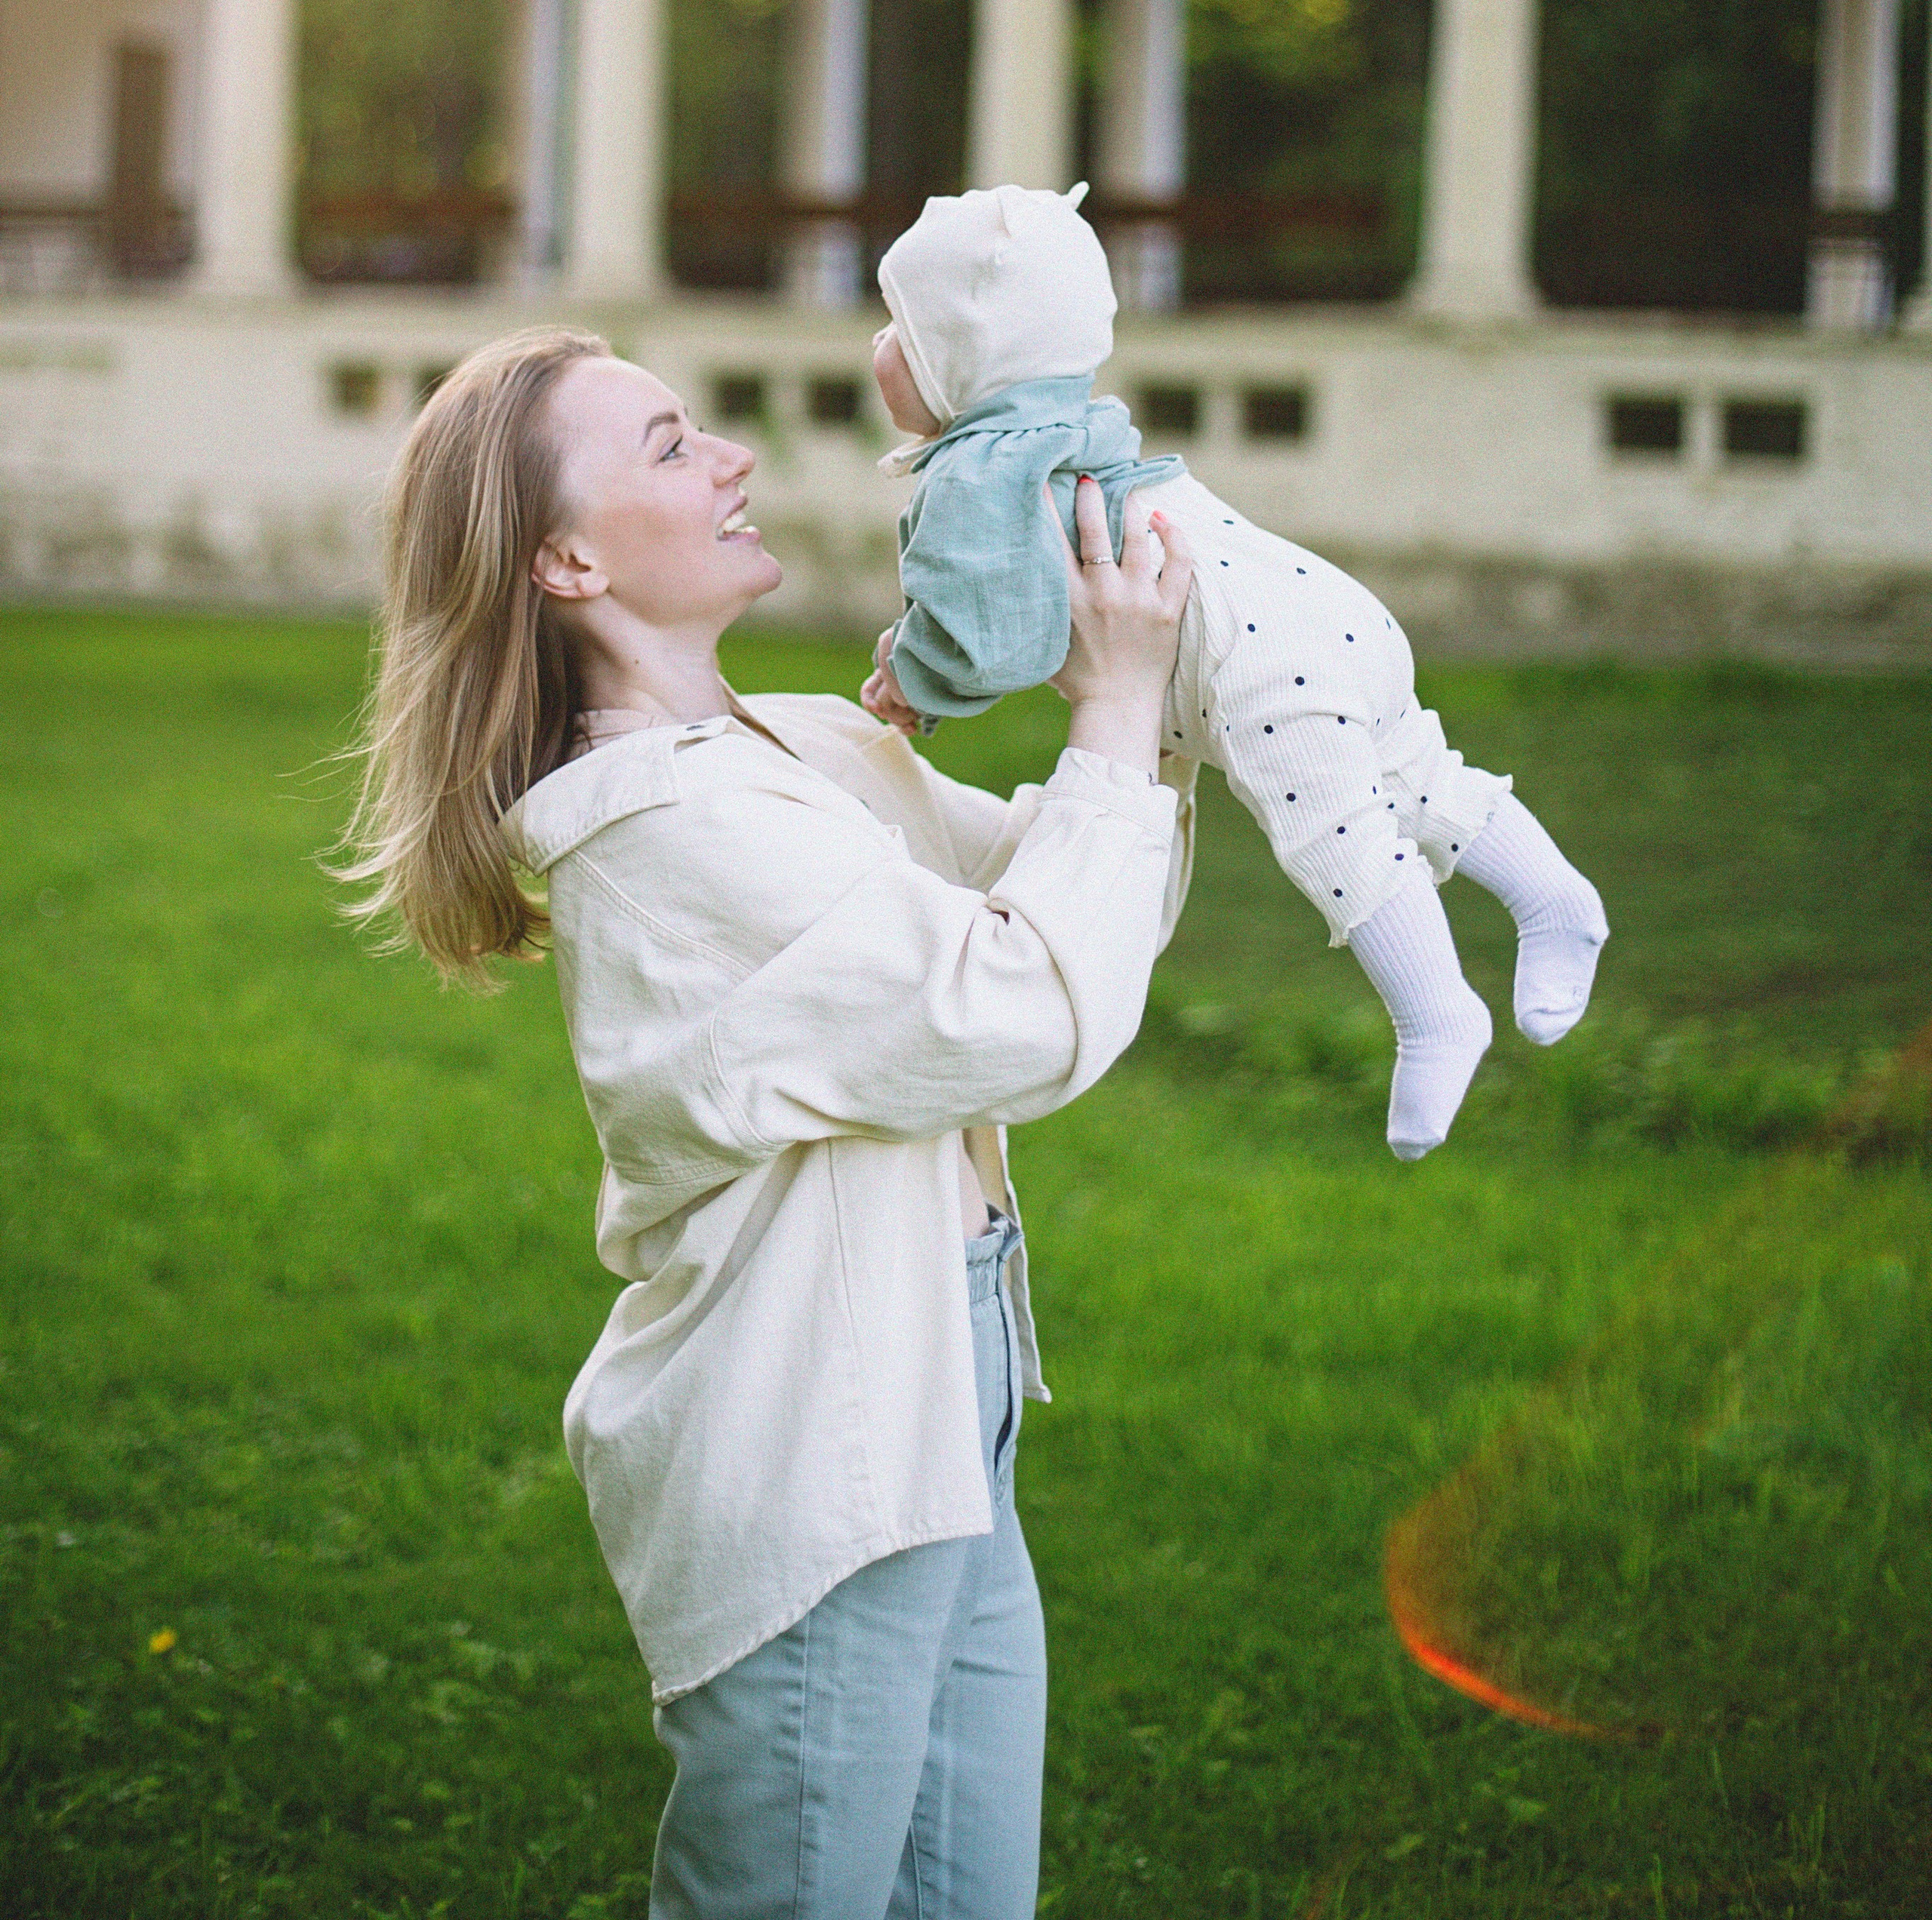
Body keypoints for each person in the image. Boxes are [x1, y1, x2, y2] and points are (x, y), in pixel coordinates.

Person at [342, 325, 1197, 1920]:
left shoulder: (790, 743)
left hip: (946, 1420)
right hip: (819, 1451)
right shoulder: (668, 831)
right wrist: (1112, 717)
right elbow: (1020, 1004)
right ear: (565, 560)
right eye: (669, 446)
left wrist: (1106, 636)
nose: (731, 458)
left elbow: (1091, 891)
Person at [860, 186, 1609, 1162]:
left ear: (962, 359)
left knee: (1336, 831)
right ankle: (1553, 896)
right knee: (1417, 775)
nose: (876, 346)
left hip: (1254, 665)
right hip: (1316, 605)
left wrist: (915, 682)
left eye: (898, 328)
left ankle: (1435, 1011)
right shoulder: (1068, 427)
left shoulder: (980, 476)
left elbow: (991, 627)